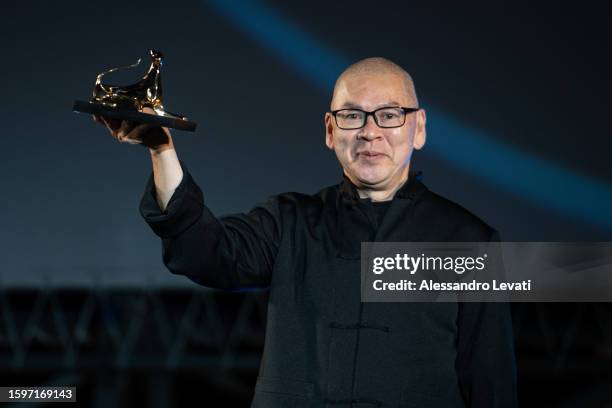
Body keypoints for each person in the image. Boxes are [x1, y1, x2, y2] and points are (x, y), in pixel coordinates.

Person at [95, 57, 517, 408]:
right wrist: (162, 148)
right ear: (330, 131)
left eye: (390, 115)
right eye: (353, 116)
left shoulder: (469, 240)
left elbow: (490, 383)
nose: (370, 131)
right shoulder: (289, 220)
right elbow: (207, 252)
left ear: (418, 128)